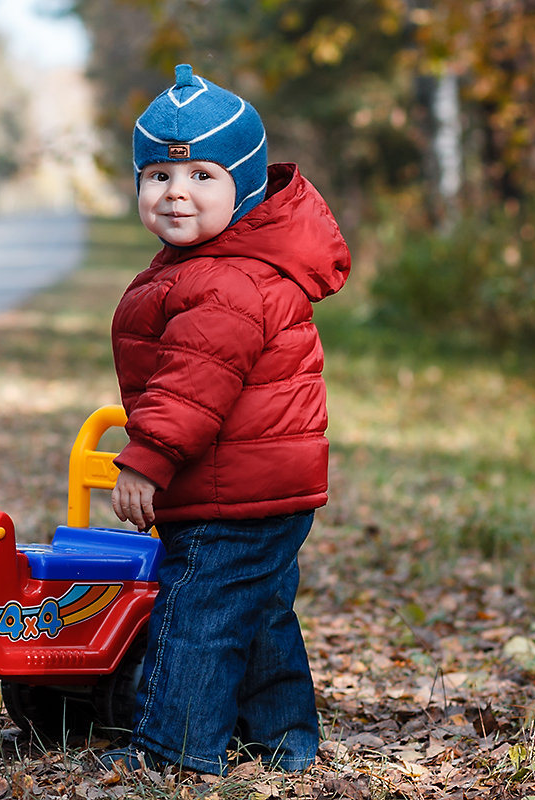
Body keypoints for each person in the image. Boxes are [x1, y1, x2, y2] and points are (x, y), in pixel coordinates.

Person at [101, 64, 351, 776]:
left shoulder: (228, 279)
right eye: (157, 178)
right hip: (263, 484)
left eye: (203, 177)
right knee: (262, 616)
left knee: (198, 617)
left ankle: (175, 754)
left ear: (243, 187)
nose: (176, 193)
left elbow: (194, 387)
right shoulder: (219, 261)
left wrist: (147, 457)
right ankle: (282, 744)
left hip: (229, 491)